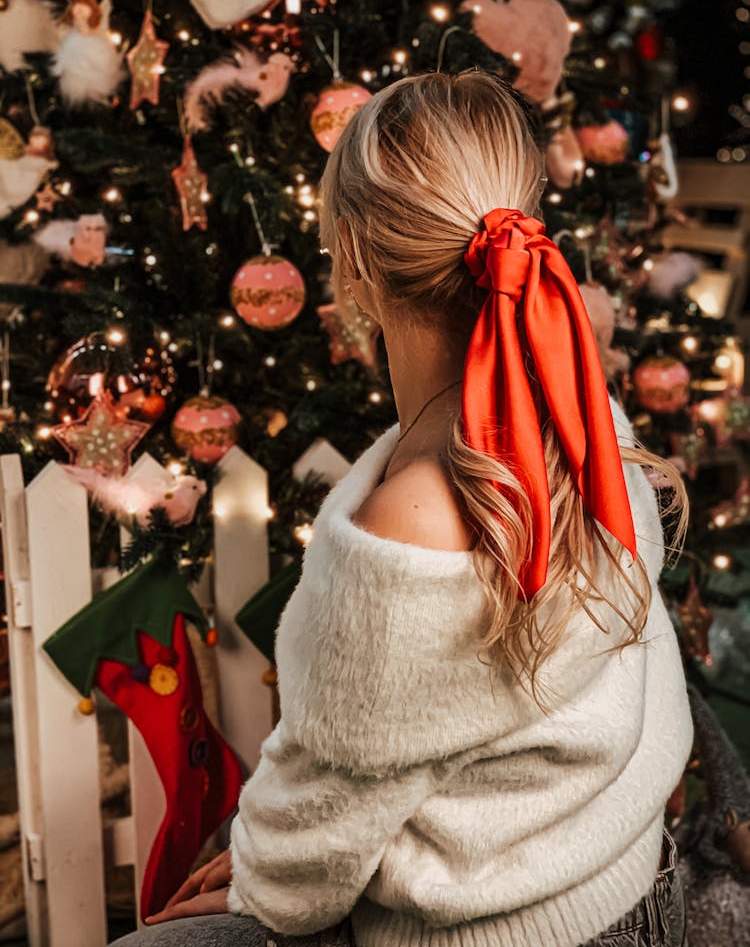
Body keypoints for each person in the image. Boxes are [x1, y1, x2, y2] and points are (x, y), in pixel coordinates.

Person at [112, 70, 692, 947]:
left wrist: (265, 867)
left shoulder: (409, 529)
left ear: (350, 255)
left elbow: (324, 816)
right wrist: (277, 841)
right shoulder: (578, 411)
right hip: (637, 889)